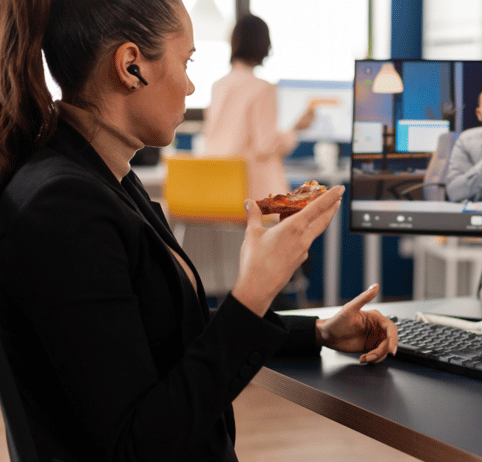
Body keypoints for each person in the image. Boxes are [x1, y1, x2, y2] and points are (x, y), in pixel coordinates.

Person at [0, 1, 397, 461]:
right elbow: (137, 444)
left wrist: (320, 332)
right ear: (131, 66)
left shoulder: (105, 178)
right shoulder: (64, 208)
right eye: (185, 63)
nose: (190, 84)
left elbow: (165, 328)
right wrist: (254, 290)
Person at [201, 14, 316, 200]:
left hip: (219, 189)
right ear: (264, 45)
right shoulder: (262, 88)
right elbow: (265, 146)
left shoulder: (218, 85)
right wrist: (296, 129)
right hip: (250, 191)